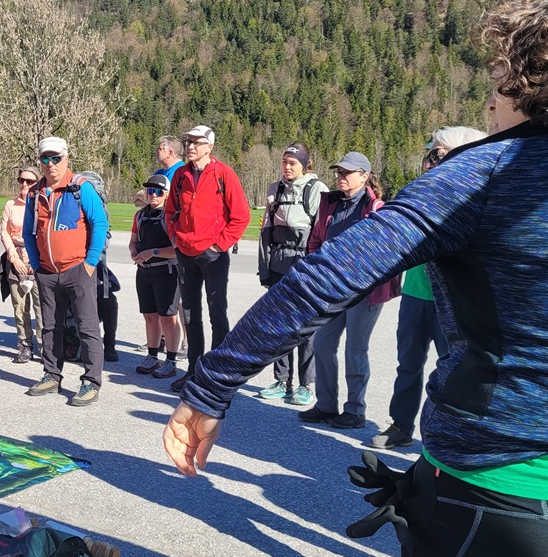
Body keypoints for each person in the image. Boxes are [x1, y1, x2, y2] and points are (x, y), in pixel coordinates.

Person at [164, 0, 548, 557]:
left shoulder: (485, 173)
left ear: (533, 75)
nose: (489, 100)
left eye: (497, 80)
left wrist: (210, 386)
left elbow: (326, 277)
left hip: (502, 497)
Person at [369, 127, 486, 450]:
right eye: (429, 156)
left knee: (455, 369)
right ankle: (401, 425)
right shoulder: (422, 191)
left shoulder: (475, 195)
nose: (430, 163)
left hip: (455, 300)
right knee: (408, 363)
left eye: (438, 156)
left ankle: (444, 437)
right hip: (416, 293)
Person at [293, 152, 398, 429]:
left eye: (347, 173)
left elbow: (384, 253)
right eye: (339, 172)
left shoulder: (376, 208)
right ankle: (326, 405)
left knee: (355, 349)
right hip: (333, 289)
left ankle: (355, 410)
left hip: (364, 292)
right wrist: (319, 270)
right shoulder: (330, 203)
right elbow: (315, 241)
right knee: (323, 344)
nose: (340, 177)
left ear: (364, 176)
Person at [22, 136, 109, 406]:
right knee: (49, 326)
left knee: (87, 327)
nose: (50, 164)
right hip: (47, 272)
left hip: (77, 269)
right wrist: (37, 265)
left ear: (66, 158)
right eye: (45, 159)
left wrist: (90, 263)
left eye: (56, 158)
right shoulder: (35, 193)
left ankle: (91, 381)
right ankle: (51, 374)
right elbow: (27, 231)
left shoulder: (80, 188)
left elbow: (100, 224)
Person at [165, 125, 250, 393]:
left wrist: (219, 245)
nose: (190, 146)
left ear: (209, 147)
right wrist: (176, 238)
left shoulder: (224, 174)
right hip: (186, 253)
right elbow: (170, 211)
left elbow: (241, 216)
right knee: (190, 313)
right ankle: (193, 370)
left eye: (197, 143)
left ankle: (218, 374)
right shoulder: (180, 175)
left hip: (213, 256)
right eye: (188, 142)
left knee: (217, 313)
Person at [255, 143, 327, 406]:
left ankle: (306, 384)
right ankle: (281, 380)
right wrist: (264, 269)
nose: (287, 167)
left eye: (292, 163)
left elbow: (322, 235)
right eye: (284, 161)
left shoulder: (317, 190)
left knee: (306, 329)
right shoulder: (275, 189)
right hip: (278, 263)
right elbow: (266, 233)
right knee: (279, 326)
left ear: (305, 164)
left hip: (303, 263)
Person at [130, 174, 181, 379]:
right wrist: (134, 252)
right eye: (150, 191)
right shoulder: (140, 216)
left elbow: (177, 249)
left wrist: (154, 252)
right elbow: (133, 241)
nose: (153, 195)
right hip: (144, 271)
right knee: (149, 316)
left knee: (168, 317)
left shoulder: (171, 217)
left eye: (158, 192)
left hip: (166, 271)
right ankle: (152, 355)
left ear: (166, 194)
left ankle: (171, 359)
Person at [1, 166, 43, 364]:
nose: (24, 184)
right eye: (21, 180)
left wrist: (36, 260)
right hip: (16, 259)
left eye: (29, 181)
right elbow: (4, 233)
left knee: (41, 306)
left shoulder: (43, 204)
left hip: (38, 262)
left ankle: (45, 345)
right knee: (19, 306)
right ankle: (25, 344)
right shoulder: (11, 205)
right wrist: (14, 258)